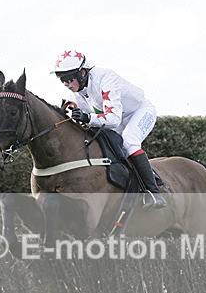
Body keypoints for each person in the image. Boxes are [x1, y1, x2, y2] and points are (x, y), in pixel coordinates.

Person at [52, 49, 167, 209]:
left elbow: (113, 119)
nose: (66, 84)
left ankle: (154, 192)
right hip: (118, 118)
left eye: (68, 78)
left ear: (82, 73)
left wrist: (87, 118)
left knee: (129, 143)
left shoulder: (105, 78)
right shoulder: (75, 93)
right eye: (61, 79)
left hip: (139, 111)